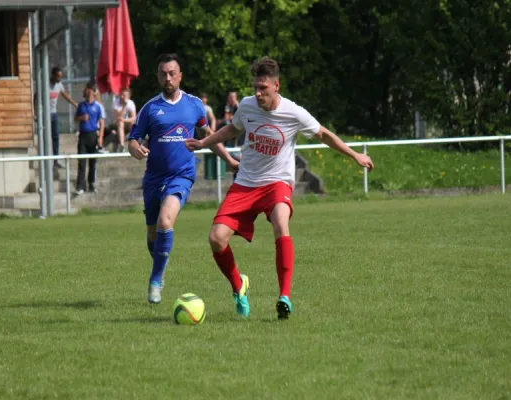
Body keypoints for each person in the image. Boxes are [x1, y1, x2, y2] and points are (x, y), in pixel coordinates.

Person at [185, 56, 374, 320]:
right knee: (216, 239)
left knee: (281, 223)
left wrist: (355, 155)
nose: (258, 93)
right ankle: (239, 287)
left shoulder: (294, 113)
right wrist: (204, 143)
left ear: (277, 85)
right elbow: (232, 130)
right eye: (255, 87)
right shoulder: (248, 106)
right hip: (246, 182)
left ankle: (284, 296)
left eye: (263, 88)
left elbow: (324, 134)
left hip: (277, 182)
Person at [128, 53, 239, 305]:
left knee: (165, 221)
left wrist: (230, 161)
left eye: (172, 73)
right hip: (154, 178)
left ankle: (155, 280)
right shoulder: (149, 108)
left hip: (182, 175)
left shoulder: (194, 105)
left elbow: (207, 136)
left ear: (180, 75)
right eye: (163, 74)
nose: (167, 78)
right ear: (158, 77)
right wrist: (134, 147)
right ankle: (159, 267)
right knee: (153, 236)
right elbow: (133, 139)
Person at [74, 82, 104, 195]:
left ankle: (91, 183)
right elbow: (75, 119)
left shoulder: (97, 106)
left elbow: (101, 122)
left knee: (93, 162)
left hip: (93, 135)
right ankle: (80, 186)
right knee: (81, 162)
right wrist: (81, 118)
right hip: (83, 135)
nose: (88, 92)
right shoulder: (81, 105)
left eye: (89, 90)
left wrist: (100, 137)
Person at [49, 66, 78, 168]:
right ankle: (45, 159)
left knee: (55, 137)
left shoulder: (59, 85)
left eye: (60, 77)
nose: (59, 78)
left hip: (53, 114)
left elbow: (66, 96)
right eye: (58, 76)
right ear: (53, 75)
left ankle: (55, 161)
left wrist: (76, 105)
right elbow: (36, 97)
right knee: (46, 138)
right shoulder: (46, 84)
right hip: (45, 115)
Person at [112, 88, 137, 152]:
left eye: (124, 95)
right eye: (121, 94)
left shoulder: (131, 103)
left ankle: (134, 143)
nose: (122, 97)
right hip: (116, 123)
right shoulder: (116, 102)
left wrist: (124, 120)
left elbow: (134, 117)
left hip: (125, 122)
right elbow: (118, 117)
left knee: (132, 123)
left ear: (128, 97)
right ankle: (122, 145)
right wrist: (124, 106)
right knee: (120, 123)